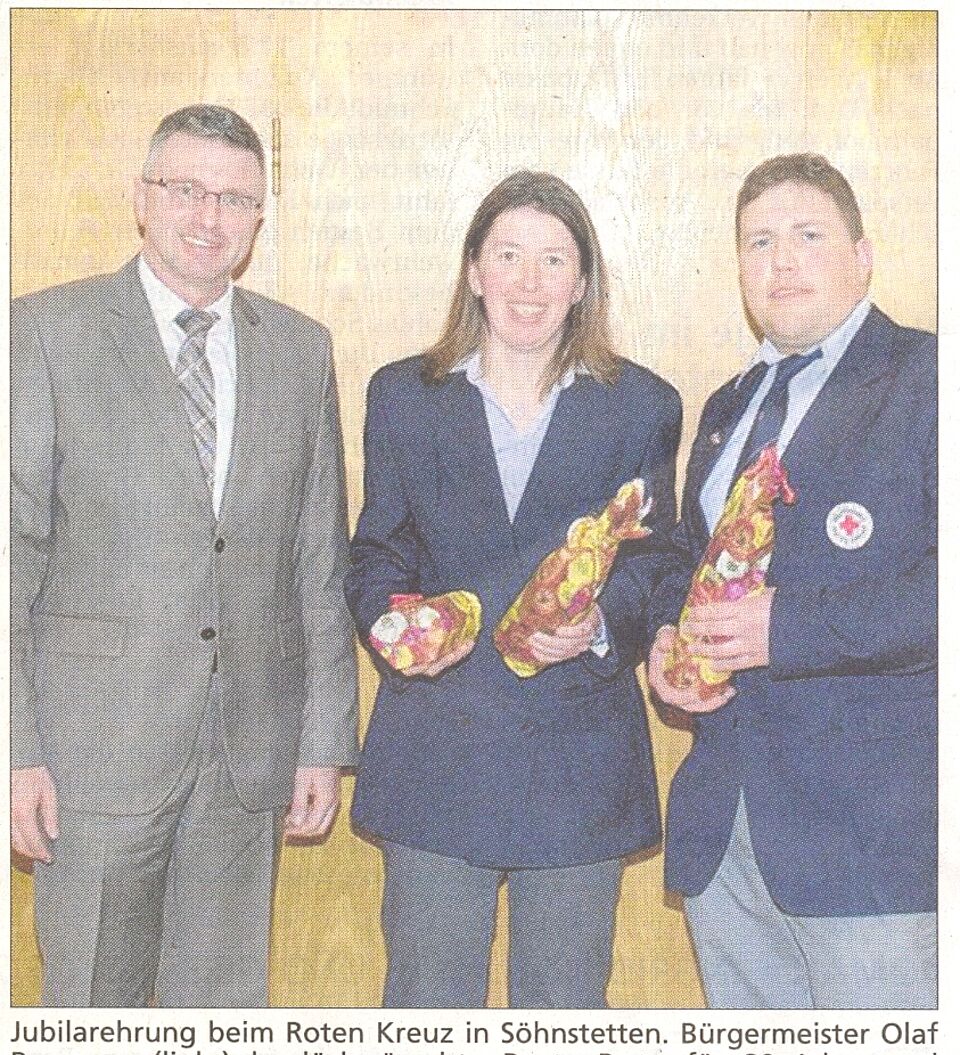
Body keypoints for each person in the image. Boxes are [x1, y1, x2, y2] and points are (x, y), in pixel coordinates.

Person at [11, 104, 358, 1007]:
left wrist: (323, 742)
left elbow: (318, 564)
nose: (209, 217)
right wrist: (14, 747)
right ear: (142, 198)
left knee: (221, 1022)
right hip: (91, 755)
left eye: (236, 198)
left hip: (248, 759)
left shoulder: (301, 350)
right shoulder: (43, 333)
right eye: (186, 190)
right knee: (92, 1014)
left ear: (259, 218)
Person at [345, 170, 681, 1008]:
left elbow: (654, 563)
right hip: (438, 752)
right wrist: (394, 627)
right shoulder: (403, 395)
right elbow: (377, 555)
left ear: (582, 281)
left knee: (564, 1022)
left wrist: (597, 623)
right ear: (474, 270)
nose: (529, 282)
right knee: (427, 1018)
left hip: (578, 761)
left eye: (554, 259)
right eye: (508, 255)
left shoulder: (641, 404)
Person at [647, 153, 936, 1009]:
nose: (782, 261)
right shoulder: (726, 406)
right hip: (724, 833)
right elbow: (685, 561)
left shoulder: (929, 377)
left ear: (863, 256)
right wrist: (667, 638)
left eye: (808, 235)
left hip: (874, 842)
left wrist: (790, 628)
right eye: (759, 241)